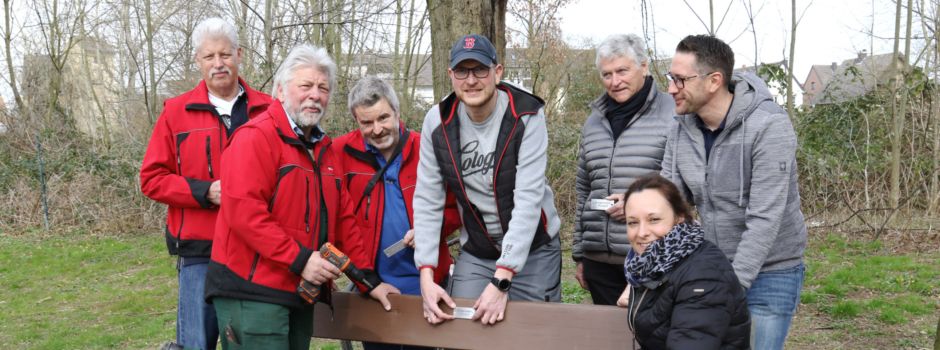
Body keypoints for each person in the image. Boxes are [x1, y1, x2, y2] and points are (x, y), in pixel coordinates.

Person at [204, 44, 398, 350]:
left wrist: (368, 281)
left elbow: (343, 220)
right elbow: (246, 214)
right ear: (281, 91)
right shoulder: (255, 138)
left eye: (323, 88)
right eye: (305, 85)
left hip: (298, 291)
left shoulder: (324, 150)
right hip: (252, 292)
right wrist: (301, 259)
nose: (315, 95)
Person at [660, 34, 807, 350]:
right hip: (714, 265)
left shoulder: (769, 127)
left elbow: (765, 219)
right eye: (670, 78)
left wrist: (730, 286)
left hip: (772, 271)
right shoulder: (680, 127)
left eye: (680, 79)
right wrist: (641, 209)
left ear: (714, 81)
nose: (671, 88)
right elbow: (671, 199)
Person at [139, 17, 272, 350]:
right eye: (209, 57)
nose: (218, 63)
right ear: (198, 61)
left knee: (250, 342)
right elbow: (152, 179)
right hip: (200, 250)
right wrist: (204, 192)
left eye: (225, 55)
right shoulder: (175, 112)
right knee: (196, 342)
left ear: (239, 55)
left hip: (256, 249)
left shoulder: (268, 110)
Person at [413, 34, 562, 325]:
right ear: (450, 76)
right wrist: (426, 274)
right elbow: (428, 199)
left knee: (532, 333)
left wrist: (503, 279)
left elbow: (528, 199)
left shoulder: (527, 114)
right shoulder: (437, 121)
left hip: (533, 247)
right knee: (466, 328)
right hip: (479, 250)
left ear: (497, 72)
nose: (471, 81)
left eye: (480, 69)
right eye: (462, 71)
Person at [331, 76, 461, 350]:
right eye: (367, 122)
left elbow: (456, 208)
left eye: (383, 118)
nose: (377, 129)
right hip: (373, 287)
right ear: (356, 121)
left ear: (397, 112)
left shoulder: (425, 147)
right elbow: (335, 216)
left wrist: (431, 229)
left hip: (428, 282)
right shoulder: (340, 153)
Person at [572, 33, 675, 306]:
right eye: (607, 74)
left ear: (643, 66)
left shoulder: (673, 114)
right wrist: (580, 254)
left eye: (622, 71)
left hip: (650, 254)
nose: (615, 82)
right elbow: (583, 190)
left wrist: (634, 202)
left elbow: (683, 185)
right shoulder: (593, 121)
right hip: (598, 261)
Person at [616, 173, 750, 349]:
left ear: (679, 218)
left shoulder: (704, 275)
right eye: (632, 222)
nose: (641, 232)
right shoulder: (648, 265)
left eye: (654, 219)